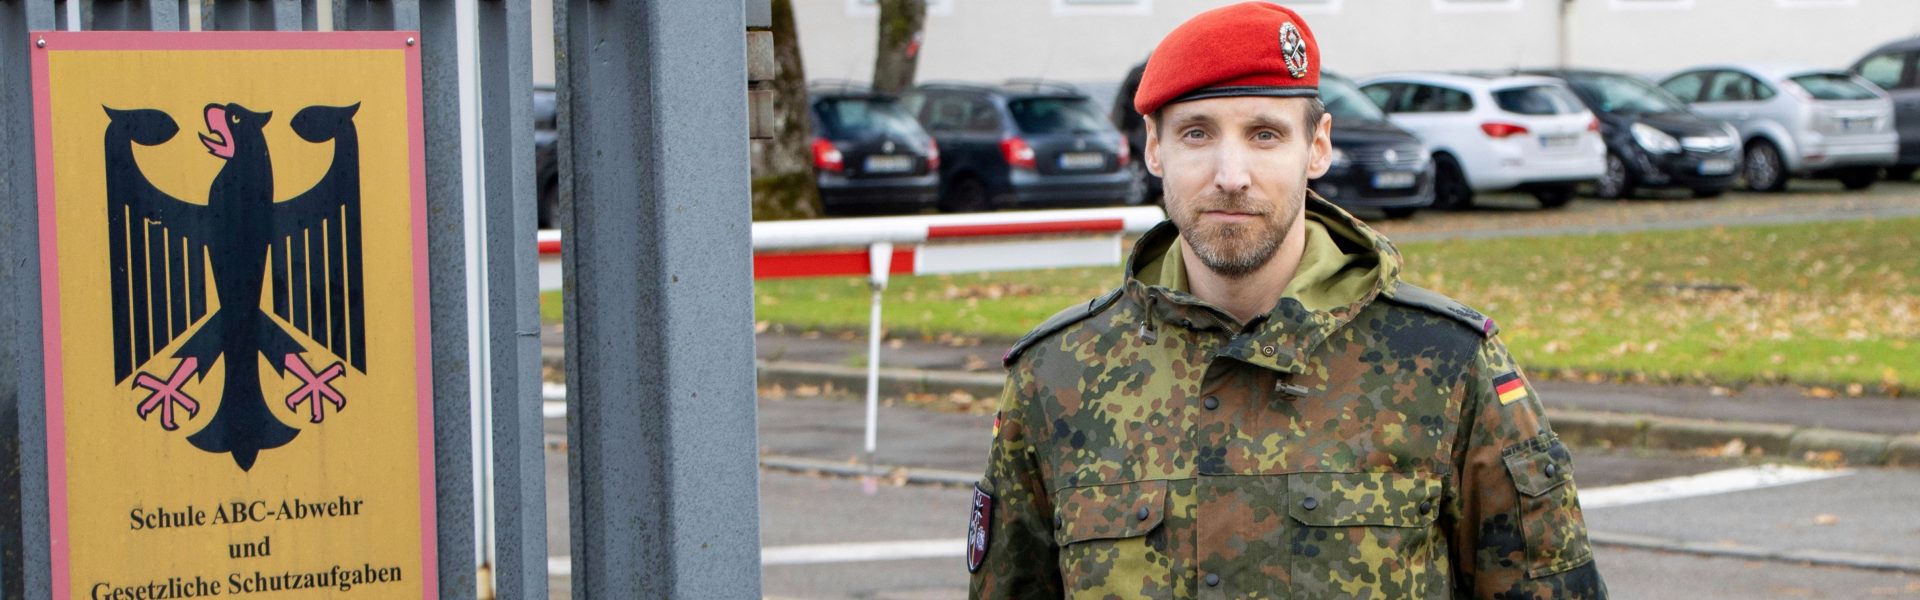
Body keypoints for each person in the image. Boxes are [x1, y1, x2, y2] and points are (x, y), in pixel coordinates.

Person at [965, 3, 1607, 598]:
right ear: (1154, 149)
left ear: (1317, 146)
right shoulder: (1057, 375)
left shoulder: (1447, 364)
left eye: (1265, 135)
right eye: (1195, 133)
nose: (1231, 174)